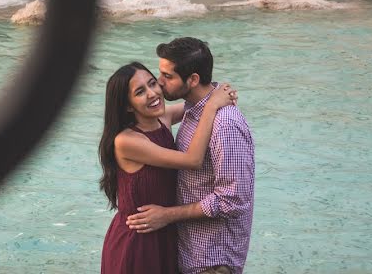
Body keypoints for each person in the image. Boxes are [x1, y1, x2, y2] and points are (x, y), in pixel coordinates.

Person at [125, 38, 255, 274]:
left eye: (168, 76)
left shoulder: (225, 125)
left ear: (193, 79)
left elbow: (234, 200)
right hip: (189, 253)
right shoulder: (193, 110)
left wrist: (168, 215)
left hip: (212, 261)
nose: (160, 84)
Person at [99, 62, 237, 274]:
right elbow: (193, 160)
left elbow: (194, 102)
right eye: (140, 92)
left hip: (165, 232)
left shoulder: (162, 118)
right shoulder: (127, 141)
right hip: (137, 241)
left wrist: (220, 94)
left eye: (153, 83)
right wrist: (212, 106)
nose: (153, 94)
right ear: (127, 106)